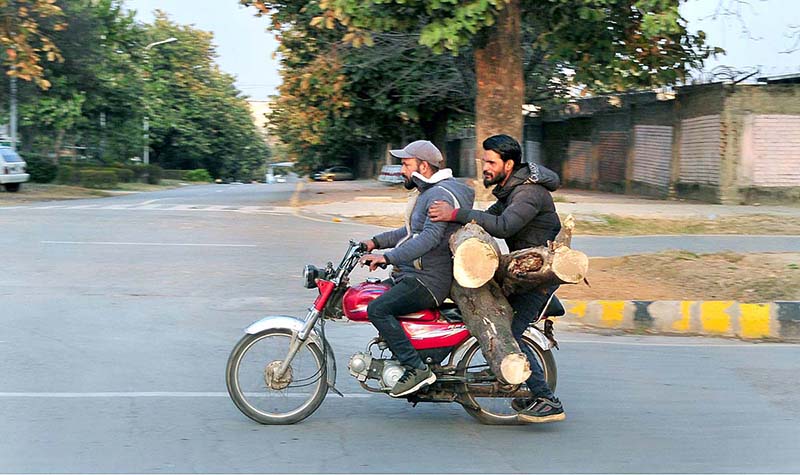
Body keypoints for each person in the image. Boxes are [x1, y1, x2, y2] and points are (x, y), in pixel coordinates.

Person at [428, 134, 565, 423]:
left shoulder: (529, 193)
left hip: (538, 278)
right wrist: (453, 225)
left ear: (509, 163)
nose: (485, 167)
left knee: (509, 333)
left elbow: (503, 226)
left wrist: (455, 212)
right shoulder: (510, 191)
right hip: (523, 274)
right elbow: (486, 218)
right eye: (483, 161)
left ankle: (546, 398)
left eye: (490, 162)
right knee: (478, 308)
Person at [359, 140, 475, 398]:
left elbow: (428, 239)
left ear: (423, 166)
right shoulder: (429, 192)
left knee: (378, 309)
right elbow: (409, 232)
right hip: (415, 274)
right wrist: (373, 242)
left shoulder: (438, 195)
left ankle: (416, 368)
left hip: (428, 280)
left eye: (406, 164)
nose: (401, 170)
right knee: (371, 293)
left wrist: (387, 257)